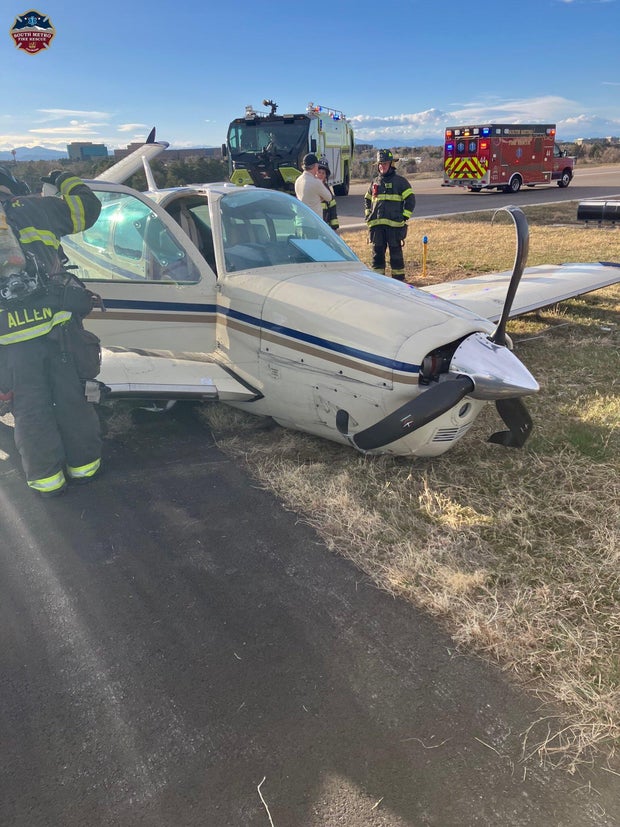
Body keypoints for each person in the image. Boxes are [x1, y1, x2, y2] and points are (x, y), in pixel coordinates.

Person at [0, 165, 103, 498]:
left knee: (29, 410)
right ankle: (84, 469)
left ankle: (47, 482)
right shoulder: (35, 207)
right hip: (57, 328)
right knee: (72, 398)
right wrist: (63, 178)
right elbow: (87, 207)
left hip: (10, 341)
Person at [364, 149, 415, 281]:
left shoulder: (400, 182)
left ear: (391, 164)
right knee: (377, 255)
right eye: (380, 164)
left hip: (394, 227)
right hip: (377, 227)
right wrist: (368, 215)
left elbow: (410, 200)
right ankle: (378, 281)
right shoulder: (375, 182)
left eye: (385, 163)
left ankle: (398, 281)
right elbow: (367, 199)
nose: (382, 166)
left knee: (396, 255)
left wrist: (403, 217)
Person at [294, 152, 333, 217]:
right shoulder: (316, 182)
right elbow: (329, 197)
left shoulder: (298, 180)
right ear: (315, 166)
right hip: (313, 222)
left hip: (301, 219)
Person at [316, 159, 340, 231]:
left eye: (323, 173)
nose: (321, 175)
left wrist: (334, 224)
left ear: (326, 176)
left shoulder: (326, 188)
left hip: (325, 223)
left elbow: (332, 206)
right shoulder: (312, 186)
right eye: (319, 172)